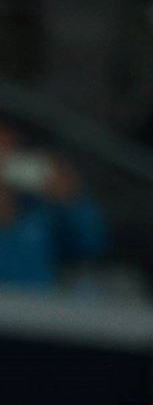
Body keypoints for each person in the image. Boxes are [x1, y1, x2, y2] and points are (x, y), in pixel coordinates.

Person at [0, 121, 108, 291]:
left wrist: (72, 198)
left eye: (8, 144)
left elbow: (93, 246)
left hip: (39, 311)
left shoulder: (41, 211)